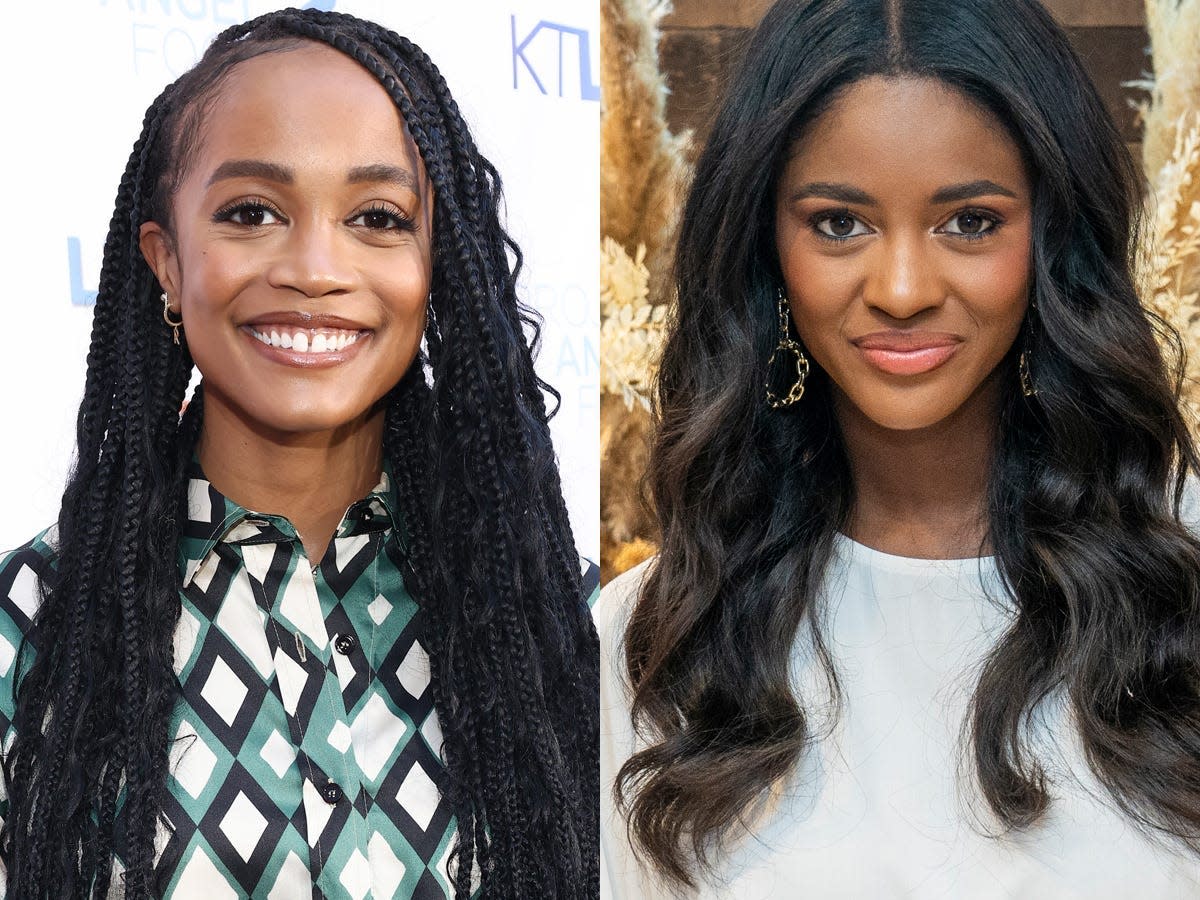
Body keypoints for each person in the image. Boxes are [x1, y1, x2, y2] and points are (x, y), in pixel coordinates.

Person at [599, 0, 1200, 897]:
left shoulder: (1180, 579)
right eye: (840, 223)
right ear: (767, 250)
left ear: (1051, 239)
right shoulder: (654, 639)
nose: (904, 288)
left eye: (970, 222)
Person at [0, 8, 598, 899]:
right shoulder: (27, 632)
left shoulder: (565, 625)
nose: (316, 268)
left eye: (377, 217)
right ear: (166, 261)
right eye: (252, 212)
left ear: (439, 261)